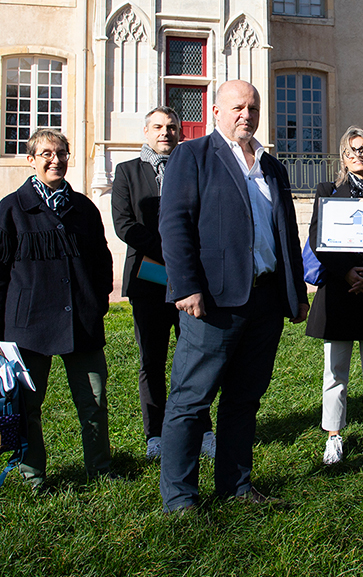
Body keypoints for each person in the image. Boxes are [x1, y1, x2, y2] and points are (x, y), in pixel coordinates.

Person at [157, 79, 309, 512]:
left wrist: (295, 293)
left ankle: (236, 487)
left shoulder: (271, 166)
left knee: (244, 399)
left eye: (254, 107)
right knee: (191, 400)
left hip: (264, 302)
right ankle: (181, 498)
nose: (247, 114)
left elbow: (286, 233)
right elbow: (175, 224)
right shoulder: (192, 155)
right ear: (216, 111)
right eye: (238, 106)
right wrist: (186, 286)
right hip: (214, 303)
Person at [0, 128, 114, 491]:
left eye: (62, 153)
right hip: (28, 328)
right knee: (26, 408)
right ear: (31, 159)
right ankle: (32, 475)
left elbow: (102, 264)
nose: (56, 160)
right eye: (47, 154)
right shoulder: (12, 208)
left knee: (95, 403)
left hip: (81, 325)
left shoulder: (83, 208)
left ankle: (100, 469)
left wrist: (96, 303)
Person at [111, 107, 214, 462]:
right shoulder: (126, 172)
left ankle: (203, 429)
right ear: (146, 131)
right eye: (158, 127)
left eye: (171, 127)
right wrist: (172, 249)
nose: (165, 133)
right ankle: (155, 433)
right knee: (151, 360)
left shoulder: (193, 167)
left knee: (197, 358)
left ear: (180, 132)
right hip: (149, 279)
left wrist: (186, 257)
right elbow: (125, 225)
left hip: (192, 281)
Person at [306, 126, 363, 465]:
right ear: (343, 157)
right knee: (335, 372)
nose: (358, 155)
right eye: (351, 150)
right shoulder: (328, 191)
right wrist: (346, 272)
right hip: (339, 293)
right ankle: (334, 436)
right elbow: (318, 237)